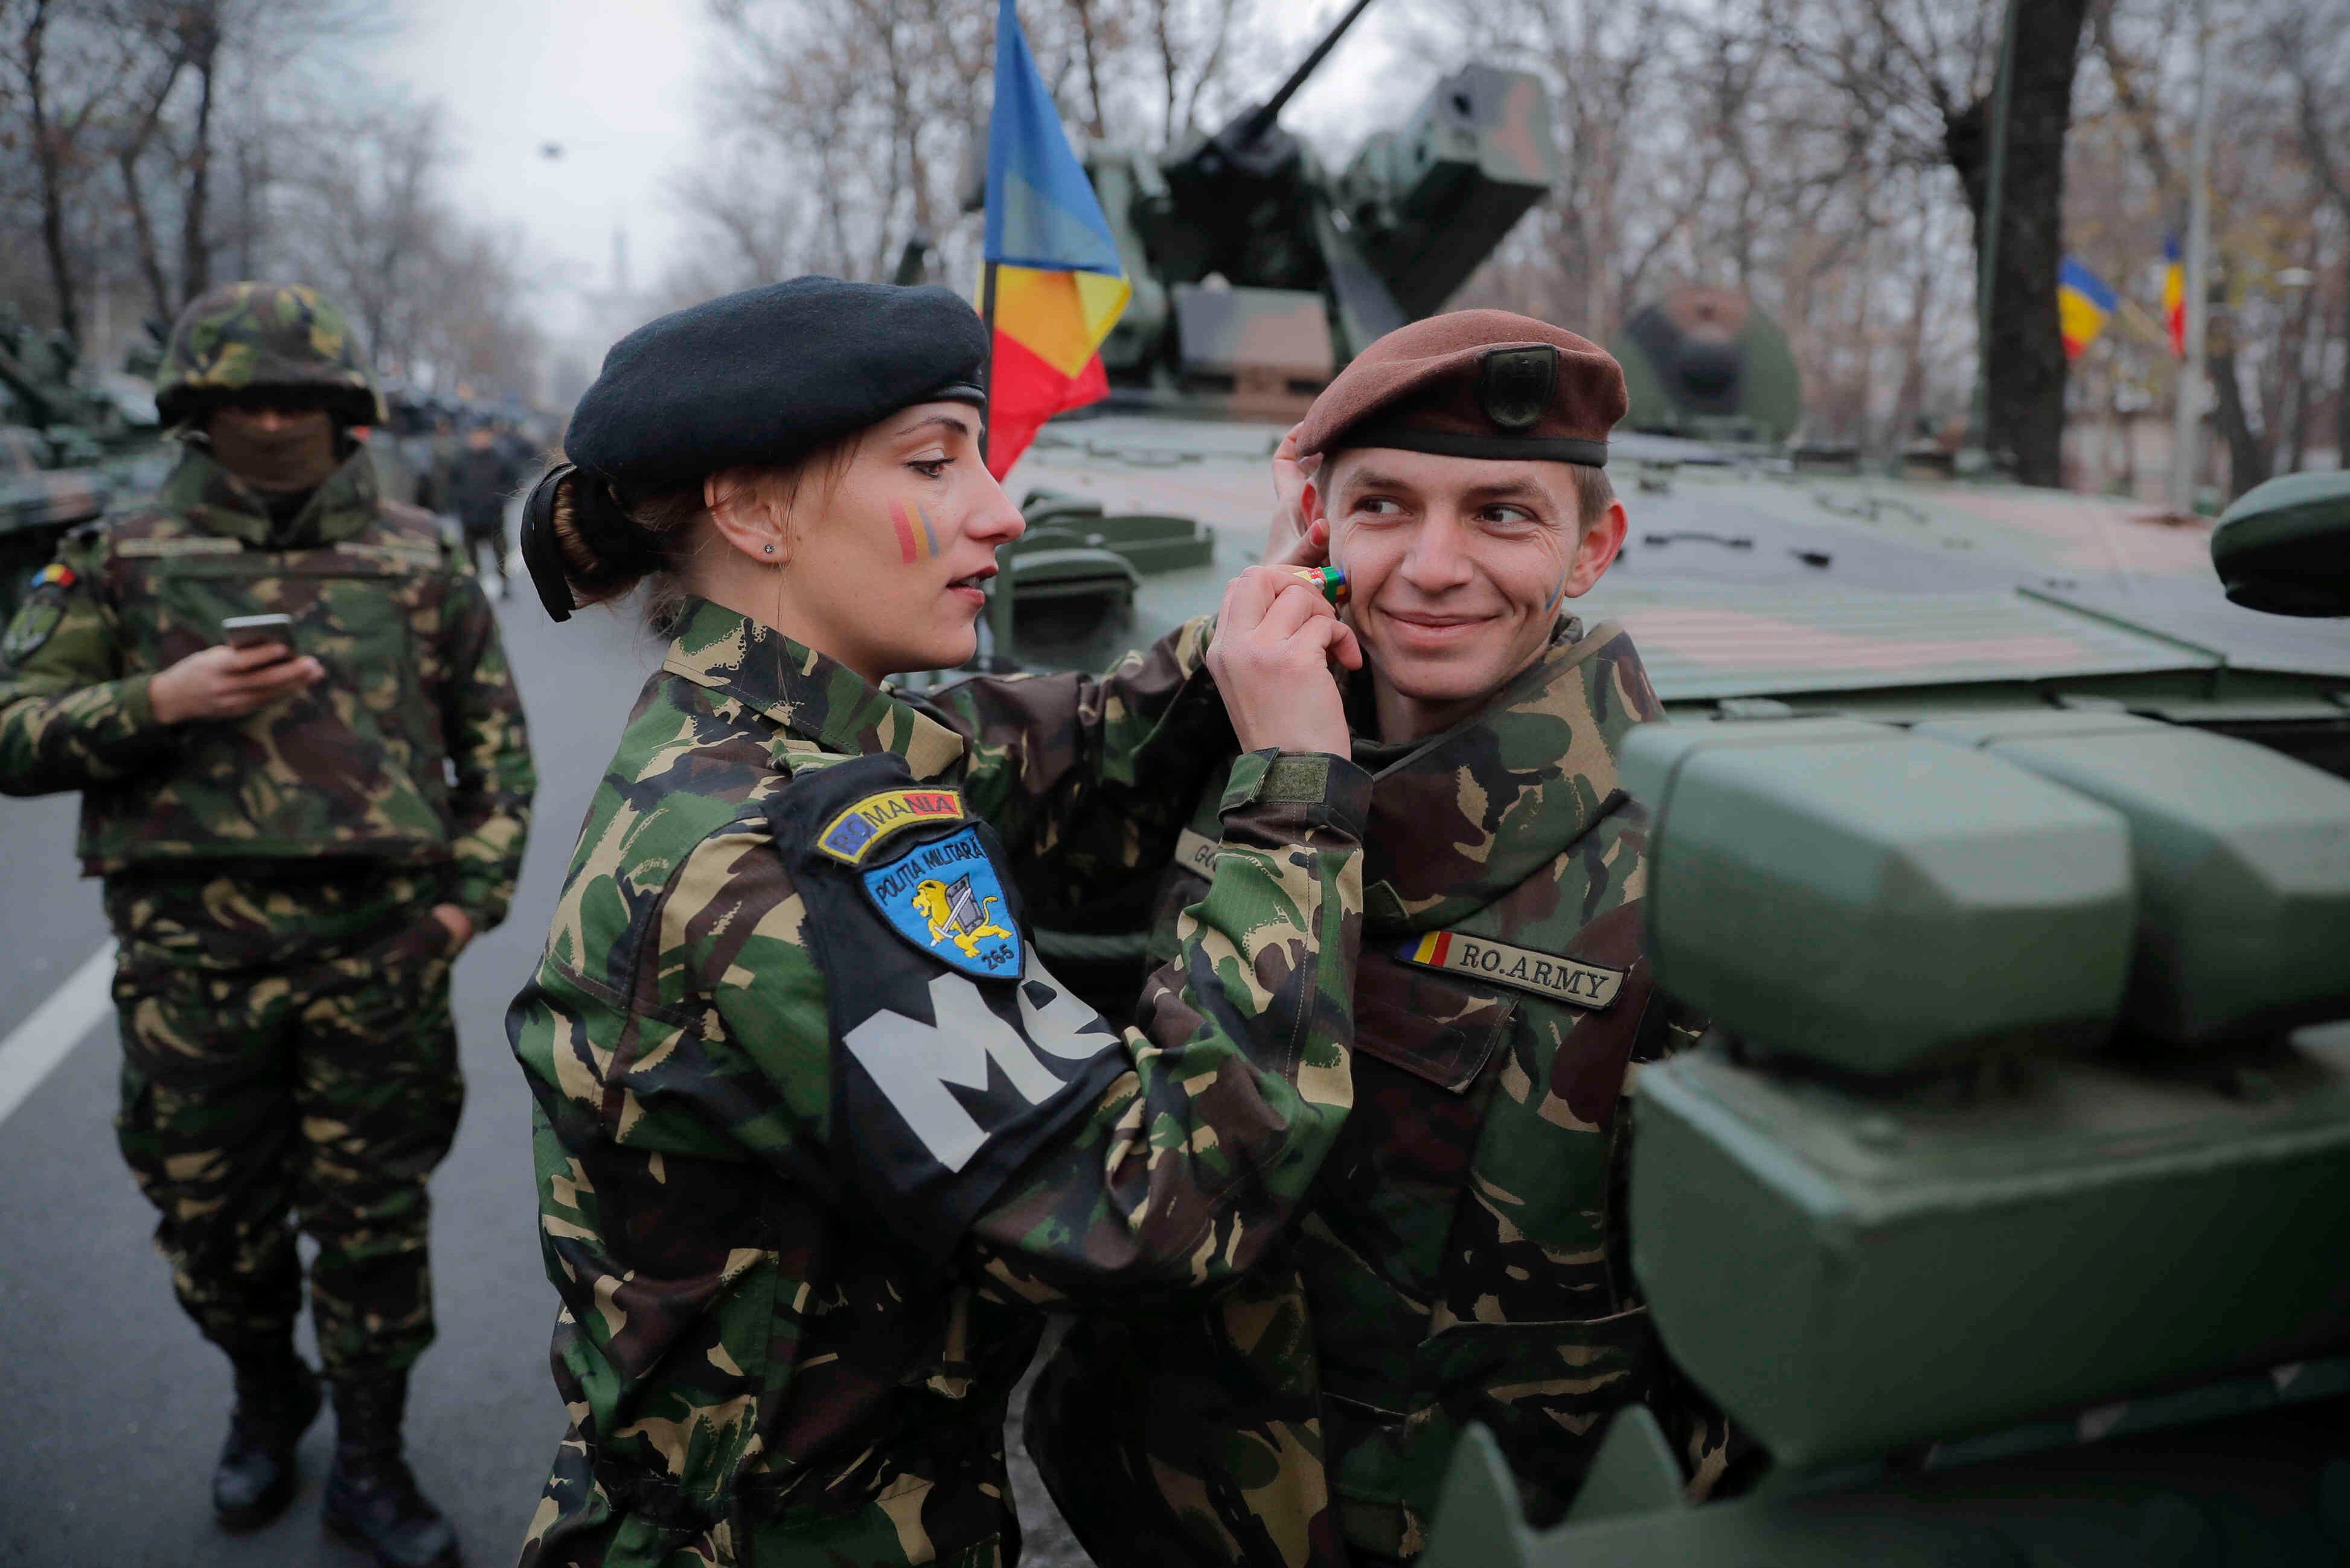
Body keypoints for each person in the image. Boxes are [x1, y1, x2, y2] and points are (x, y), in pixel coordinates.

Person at [509, 275, 1373, 1567]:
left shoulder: (751, 724)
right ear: (748, 509)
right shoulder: (776, 861)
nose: (1001, 508)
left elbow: (1049, 748)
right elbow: (1150, 1203)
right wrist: (1294, 790)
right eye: (932, 461)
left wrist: (1240, 633)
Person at [1025, 310, 1754, 1568]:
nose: (1429, 566)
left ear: (1592, 549)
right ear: (1318, 528)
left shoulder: (1687, 874)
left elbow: (1744, 1343)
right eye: (1381, 508)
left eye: (1501, 515)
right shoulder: (1242, 743)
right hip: (1157, 1504)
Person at [0, 281, 535, 1567]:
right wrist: (157, 696)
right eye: (247, 397)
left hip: (380, 962)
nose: (276, 419)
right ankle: (265, 1387)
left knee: (373, 1233)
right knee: (212, 1235)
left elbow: (497, 762)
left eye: (301, 396)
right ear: (199, 409)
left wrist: (464, 904)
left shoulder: (417, 557)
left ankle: (368, 1454)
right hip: (190, 969)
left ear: (347, 409)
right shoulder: (119, 560)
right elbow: (13, 731)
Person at [448, 422, 520, 595]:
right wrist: (460, 502)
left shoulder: (500, 458)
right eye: (477, 435)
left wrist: (500, 498)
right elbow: (452, 485)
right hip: (469, 516)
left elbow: (513, 483)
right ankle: (475, 588)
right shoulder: (461, 460)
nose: (480, 439)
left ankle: (504, 584)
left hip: (493, 515)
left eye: (483, 435)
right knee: (471, 556)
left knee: (500, 553)